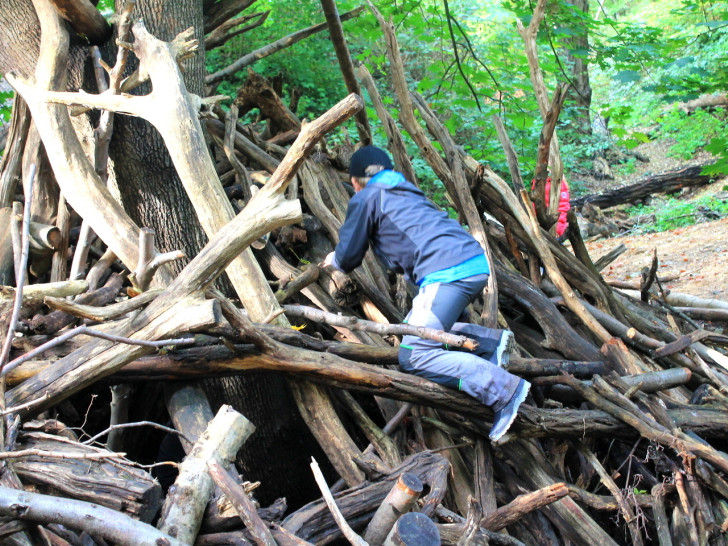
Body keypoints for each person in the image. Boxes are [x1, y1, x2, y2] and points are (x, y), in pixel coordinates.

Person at [323, 145, 530, 442]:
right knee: (429, 331)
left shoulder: (366, 197)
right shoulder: (404, 190)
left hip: (446, 274)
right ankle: (491, 345)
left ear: (356, 181)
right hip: (472, 262)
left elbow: (350, 255)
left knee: (414, 353)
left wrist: (335, 260)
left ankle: (504, 391)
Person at [531, 175, 571, 241]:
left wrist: (558, 229)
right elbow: (534, 204)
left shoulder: (559, 184)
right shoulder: (538, 181)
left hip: (553, 226)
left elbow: (563, 207)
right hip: (539, 223)